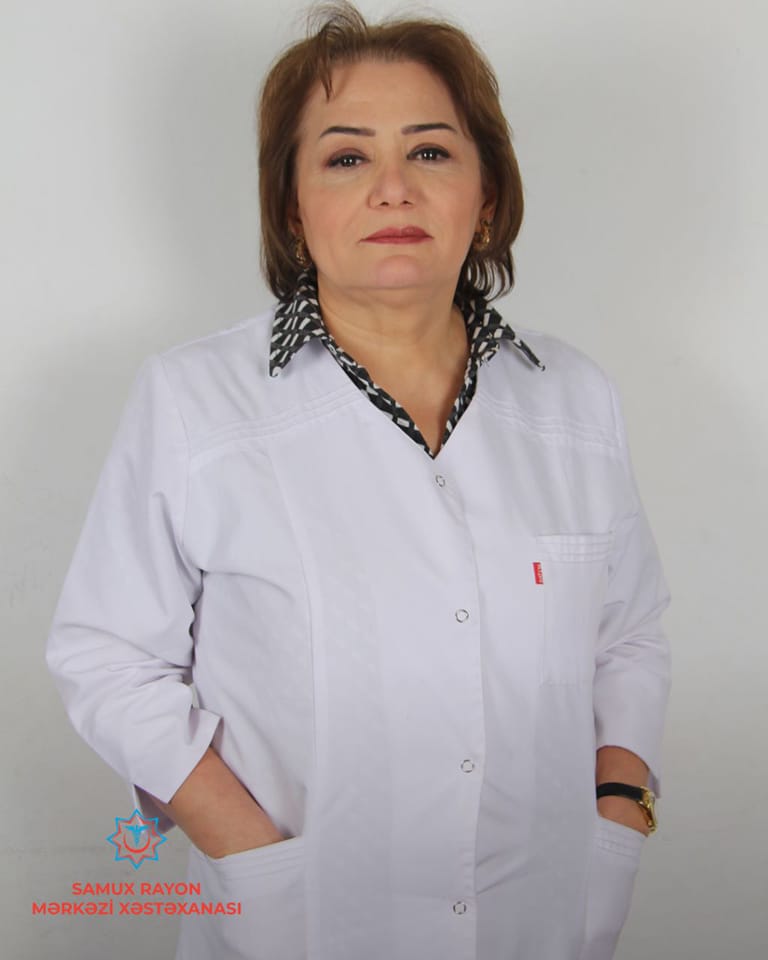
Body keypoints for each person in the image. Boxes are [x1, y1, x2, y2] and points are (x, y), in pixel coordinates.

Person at [46, 3, 670, 959]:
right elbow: (106, 656)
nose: (393, 189)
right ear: (294, 209)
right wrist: (244, 846)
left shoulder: (575, 399)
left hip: (540, 914)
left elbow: (628, 635)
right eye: (346, 157)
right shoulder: (195, 400)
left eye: (430, 151)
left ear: (487, 198)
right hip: (304, 919)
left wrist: (621, 808)